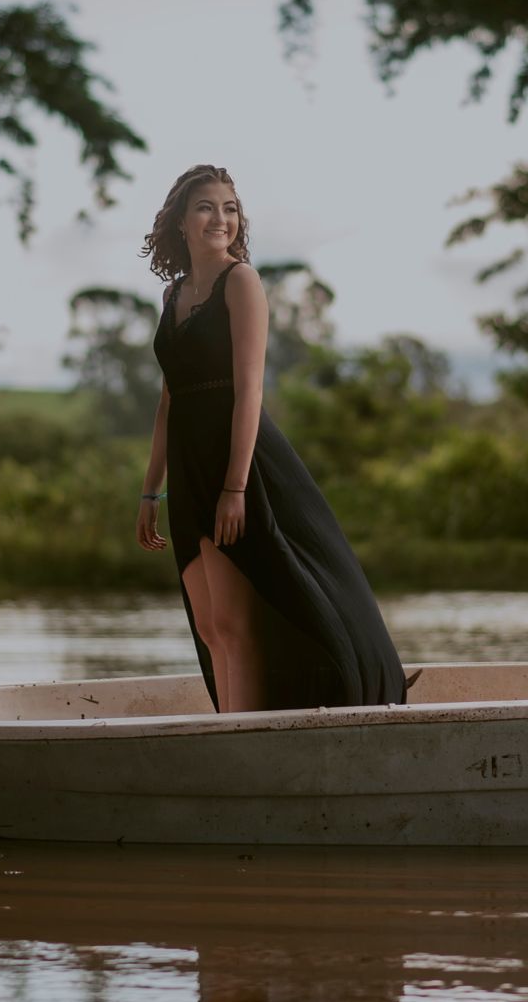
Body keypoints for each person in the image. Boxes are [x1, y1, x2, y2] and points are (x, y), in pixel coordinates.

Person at [134, 164, 406, 712]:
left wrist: (235, 488)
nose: (221, 218)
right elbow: (169, 400)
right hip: (188, 467)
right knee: (211, 627)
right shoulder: (173, 294)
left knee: (236, 624)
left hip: (240, 465)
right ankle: (226, 733)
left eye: (230, 208)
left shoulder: (242, 281)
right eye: (206, 207)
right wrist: (150, 492)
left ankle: (241, 743)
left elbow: (250, 390)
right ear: (181, 222)